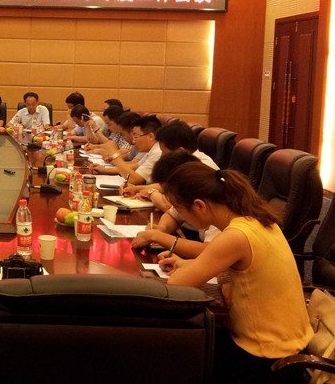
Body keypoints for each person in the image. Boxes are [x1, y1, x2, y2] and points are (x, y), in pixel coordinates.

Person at [159, 163, 313, 384]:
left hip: (266, 356)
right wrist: (188, 264)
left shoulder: (235, 236)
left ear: (200, 205)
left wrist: (188, 269)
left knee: (180, 353)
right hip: (290, 345)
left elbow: (175, 285)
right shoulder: (257, 220)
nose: (180, 216)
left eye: (180, 210)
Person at [98, 114, 161, 185]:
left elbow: (134, 180)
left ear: (150, 136)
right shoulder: (152, 150)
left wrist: (115, 155)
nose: (133, 141)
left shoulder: (157, 153)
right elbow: (134, 167)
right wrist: (103, 169)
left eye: (136, 136)